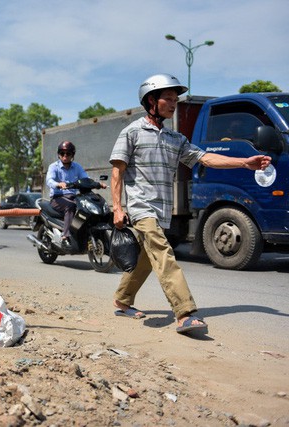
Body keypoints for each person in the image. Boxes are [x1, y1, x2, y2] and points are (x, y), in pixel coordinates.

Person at [109, 73, 271, 334]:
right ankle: (184, 312)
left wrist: (244, 162)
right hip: (140, 207)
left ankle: (122, 300)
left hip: (162, 210)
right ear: (151, 100)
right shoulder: (132, 133)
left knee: (147, 259)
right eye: (168, 99)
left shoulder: (176, 139)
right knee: (163, 253)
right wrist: (117, 207)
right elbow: (117, 171)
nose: (173, 104)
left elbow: (206, 158)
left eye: (176, 99)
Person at [46, 140, 106, 247]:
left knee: (86, 206)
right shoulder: (53, 167)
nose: (65, 156)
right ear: (58, 154)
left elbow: (85, 179)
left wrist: (97, 184)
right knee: (71, 206)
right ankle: (65, 236)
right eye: (62, 153)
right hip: (57, 198)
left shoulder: (77, 167)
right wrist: (59, 184)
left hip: (73, 196)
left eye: (68, 153)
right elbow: (49, 180)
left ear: (72, 155)